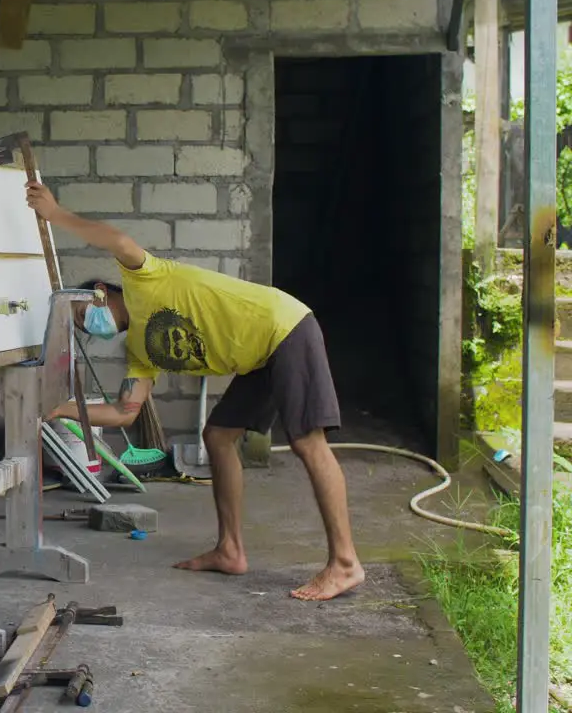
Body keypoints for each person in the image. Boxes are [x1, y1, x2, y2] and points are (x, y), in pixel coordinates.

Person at [25, 181, 364, 602]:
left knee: (307, 441)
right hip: (260, 357)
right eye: (81, 326)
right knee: (218, 436)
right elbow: (125, 412)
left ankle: (346, 564)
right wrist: (62, 410)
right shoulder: (140, 352)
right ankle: (231, 549)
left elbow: (116, 239)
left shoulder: (142, 278)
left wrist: (56, 215)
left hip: (284, 327)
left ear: (101, 293)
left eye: (84, 313)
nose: (88, 324)